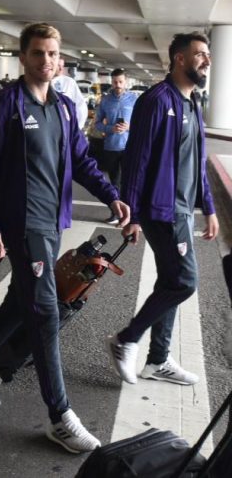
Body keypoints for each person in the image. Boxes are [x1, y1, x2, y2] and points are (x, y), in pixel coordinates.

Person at [0, 23, 130, 454]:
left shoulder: (65, 108)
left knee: (19, 300)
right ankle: (60, 416)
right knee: (46, 313)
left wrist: (112, 196)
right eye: (37, 53)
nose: (45, 61)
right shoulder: (5, 106)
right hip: (21, 223)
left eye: (51, 54)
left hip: (51, 222)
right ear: (23, 58)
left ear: (59, 58)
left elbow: (82, 161)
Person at [106, 32, 218, 386]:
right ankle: (126, 339)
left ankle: (157, 360)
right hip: (161, 209)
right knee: (185, 282)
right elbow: (136, 160)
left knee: (171, 280)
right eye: (200, 54)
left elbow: (198, 164)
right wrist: (132, 215)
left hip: (183, 209)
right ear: (179, 59)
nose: (207, 60)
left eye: (208, 54)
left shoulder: (192, 101)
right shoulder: (157, 100)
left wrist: (210, 208)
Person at [94, 69, 138, 224]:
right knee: (114, 182)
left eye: (120, 82)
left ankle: (131, 215)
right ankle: (115, 213)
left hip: (129, 147)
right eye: (115, 82)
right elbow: (98, 124)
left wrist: (129, 127)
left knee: (129, 182)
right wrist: (110, 128)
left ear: (126, 81)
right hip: (111, 147)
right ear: (112, 82)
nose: (118, 85)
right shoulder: (105, 100)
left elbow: (142, 123)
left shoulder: (134, 99)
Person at [51, 58, 88, 130]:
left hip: (66, 126)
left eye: (62, 66)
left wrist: (78, 127)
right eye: (58, 65)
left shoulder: (69, 82)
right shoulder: (42, 82)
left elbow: (81, 106)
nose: (61, 68)